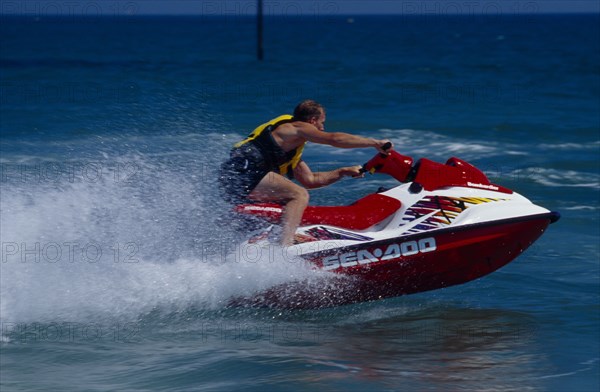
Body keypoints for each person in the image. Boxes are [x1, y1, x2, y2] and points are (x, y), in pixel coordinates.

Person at [219, 100, 392, 246]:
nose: (322, 128)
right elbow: (334, 139)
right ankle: (285, 245)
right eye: (322, 122)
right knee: (298, 195)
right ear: (313, 120)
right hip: (243, 171)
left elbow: (310, 180)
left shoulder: (290, 148)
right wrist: (374, 143)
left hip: (236, 177)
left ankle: (259, 242)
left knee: (290, 198)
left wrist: (342, 172)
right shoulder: (295, 127)